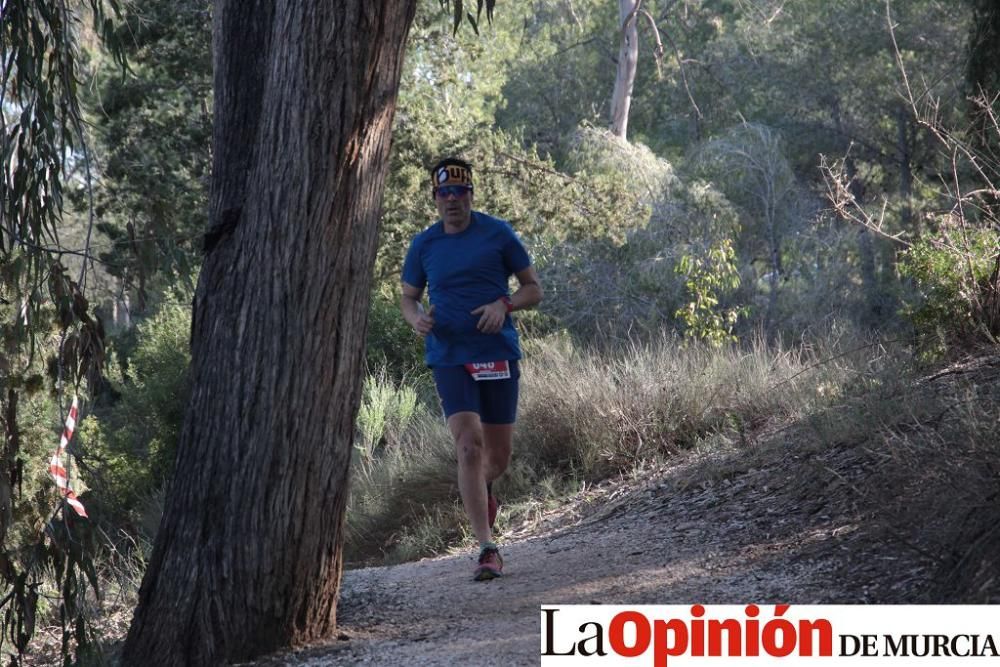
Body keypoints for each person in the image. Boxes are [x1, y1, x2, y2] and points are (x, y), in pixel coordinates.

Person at [400, 157, 543, 581]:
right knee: (467, 446)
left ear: (470, 195)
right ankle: (487, 548)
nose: (452, 200)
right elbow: (409, 297)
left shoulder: (497, 233)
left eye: (459, 192)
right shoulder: (424, 244)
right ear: (435, 198)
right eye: (443, 193)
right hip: (449, 355)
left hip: (496, 353)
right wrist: (416, 319)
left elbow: (533, 288)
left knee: (495, 459)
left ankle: (483, 491)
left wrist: (505, 304)